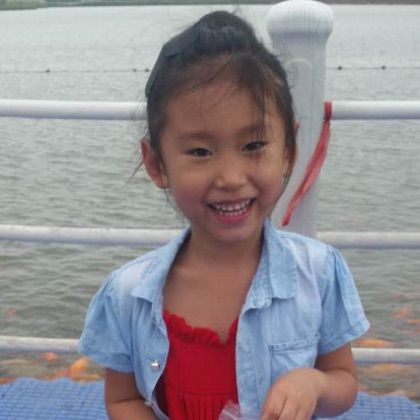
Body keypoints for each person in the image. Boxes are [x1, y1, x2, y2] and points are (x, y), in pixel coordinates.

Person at [79, 10, 369, 420]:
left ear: (289, 149)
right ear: (157, 164)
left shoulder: (319, 273)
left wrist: (314, 383)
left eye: (253, 145)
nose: (231, 178)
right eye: (200, 151)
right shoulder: (129, 295)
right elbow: (123, 399)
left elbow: (344, 381)